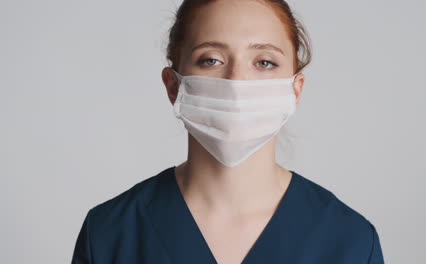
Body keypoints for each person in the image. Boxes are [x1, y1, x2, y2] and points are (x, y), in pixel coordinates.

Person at [71, 0, 384, 263]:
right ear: (174, 85)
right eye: (211, 60)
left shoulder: (350, 241)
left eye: (264, 62)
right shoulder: (110, 235)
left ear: (295, 90)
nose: (237, 81)